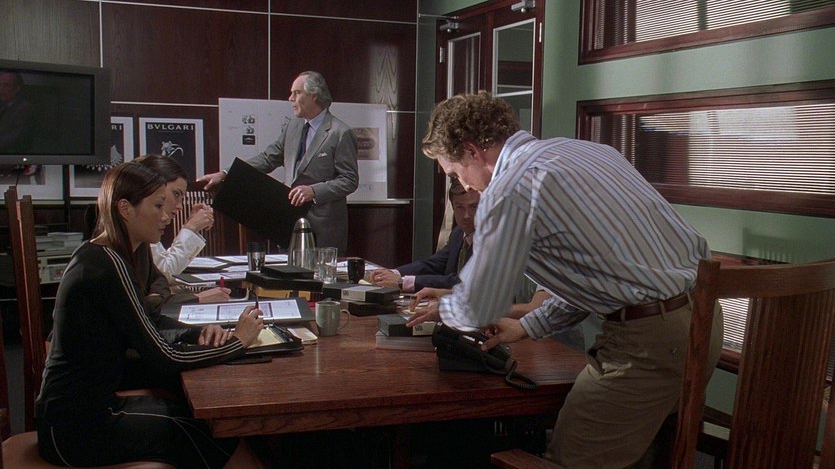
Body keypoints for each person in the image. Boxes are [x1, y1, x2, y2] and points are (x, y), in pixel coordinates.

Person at [408, 91, 724, 468]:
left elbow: (477, 305)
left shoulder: (508, 191)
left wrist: (444, 310)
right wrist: (526, 327)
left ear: (472, 151)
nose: (465, 185)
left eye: (456, 173)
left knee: (567, 459)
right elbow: (598, 275)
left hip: (647, 345)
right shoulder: (588, 152)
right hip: (702, 321)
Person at [35, 162, 265, 467]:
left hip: (80, 414)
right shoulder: (107, 265)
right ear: (126, 209)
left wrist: (197, 332)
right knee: (213, 432)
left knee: (206, 422)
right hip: (77, 428)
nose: (166, 215)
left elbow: (150, 319)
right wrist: (238, 342)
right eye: (157, 206)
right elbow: (164, 357)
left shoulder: (109, 253)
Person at [199, 71, 359, 253]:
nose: (290, 98)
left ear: (314, 95)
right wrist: (225, 173)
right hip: (288, 222)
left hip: (323, 227)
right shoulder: (293, 126)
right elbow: (268, 158)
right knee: (286, 269)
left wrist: (314, 191)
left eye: (296, 93)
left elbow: (349, 180)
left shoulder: (340, 133)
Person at [133, 154, 230, 304]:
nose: (179, 206)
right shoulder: (137, 226)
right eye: (176, 194)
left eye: (182, 198)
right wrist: (190, 228)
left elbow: (159, 279)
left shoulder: (146, 228)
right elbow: (165, 272)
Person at [371, 178, 477, 292]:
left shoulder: (488, 240)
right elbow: (434, 264)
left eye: (473, 207)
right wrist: (393, 273)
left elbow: (462, 282)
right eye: (460, 207)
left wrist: (403, 282)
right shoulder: (458, 233)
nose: (466, 216)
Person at [0, 70, 35, 154]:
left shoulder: (24, 109)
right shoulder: (4, 105)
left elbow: (13, 139)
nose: (1, 89)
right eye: (0, 85)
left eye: (6, 85)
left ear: (17, 89)